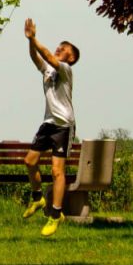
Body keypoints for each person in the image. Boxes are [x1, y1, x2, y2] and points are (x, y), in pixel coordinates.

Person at [21, 18, 79, 237]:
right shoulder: (48, 68)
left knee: (57, 171)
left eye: (62, 49)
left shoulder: (65, 69)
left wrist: (34, 37)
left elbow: (46, 55)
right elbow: (36, 58)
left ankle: (55, 215)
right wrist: (30, 41)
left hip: (63, 125)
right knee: (29, 161)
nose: (58, 49)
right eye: (58, 47)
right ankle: (38, 199)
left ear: (70, 57)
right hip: (48, 123)